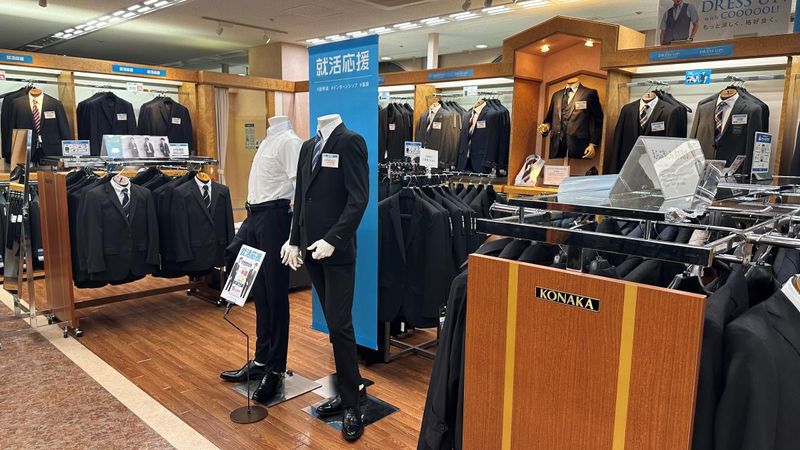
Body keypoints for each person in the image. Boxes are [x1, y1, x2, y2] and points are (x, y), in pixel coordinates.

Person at [219, 116, 302, 408]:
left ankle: (276, 368)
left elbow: (300, 190)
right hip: (255, 217)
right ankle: (261, 359)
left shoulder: (290, 142)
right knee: (262, 295)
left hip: (275, 219)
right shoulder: (267, 140)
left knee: (276, 296)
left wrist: (294, 237)